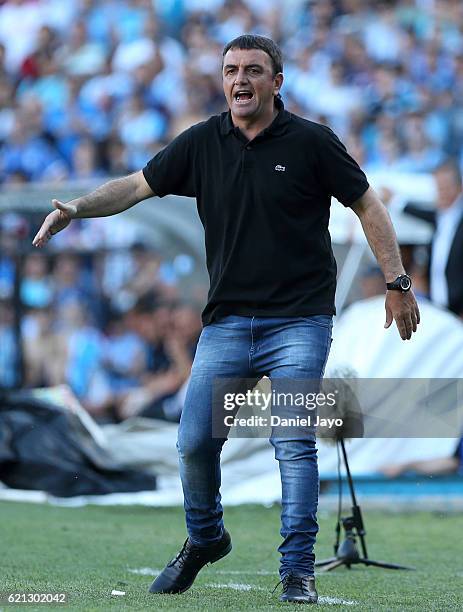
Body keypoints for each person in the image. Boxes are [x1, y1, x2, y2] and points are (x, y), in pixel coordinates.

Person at [33, 35, 420, 605]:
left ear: (276, 83)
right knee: (192, 443)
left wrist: (397, 282)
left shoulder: (313, 142)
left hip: (299, 323)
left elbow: (369, 206)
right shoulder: (202, 143)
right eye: (231, 70)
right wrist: (77, 208)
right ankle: (206, 537)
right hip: (227, 324)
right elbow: (138, 186)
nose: (240, 79)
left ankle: (297, 571)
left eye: (253, 71)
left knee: (291, 441)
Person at [402, 160, 463, 318]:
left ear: (459, 187)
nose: (441, 192)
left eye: (445, 187)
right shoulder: (439, 218)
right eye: (438, 187)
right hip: (439, 309)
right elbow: (417, 212)